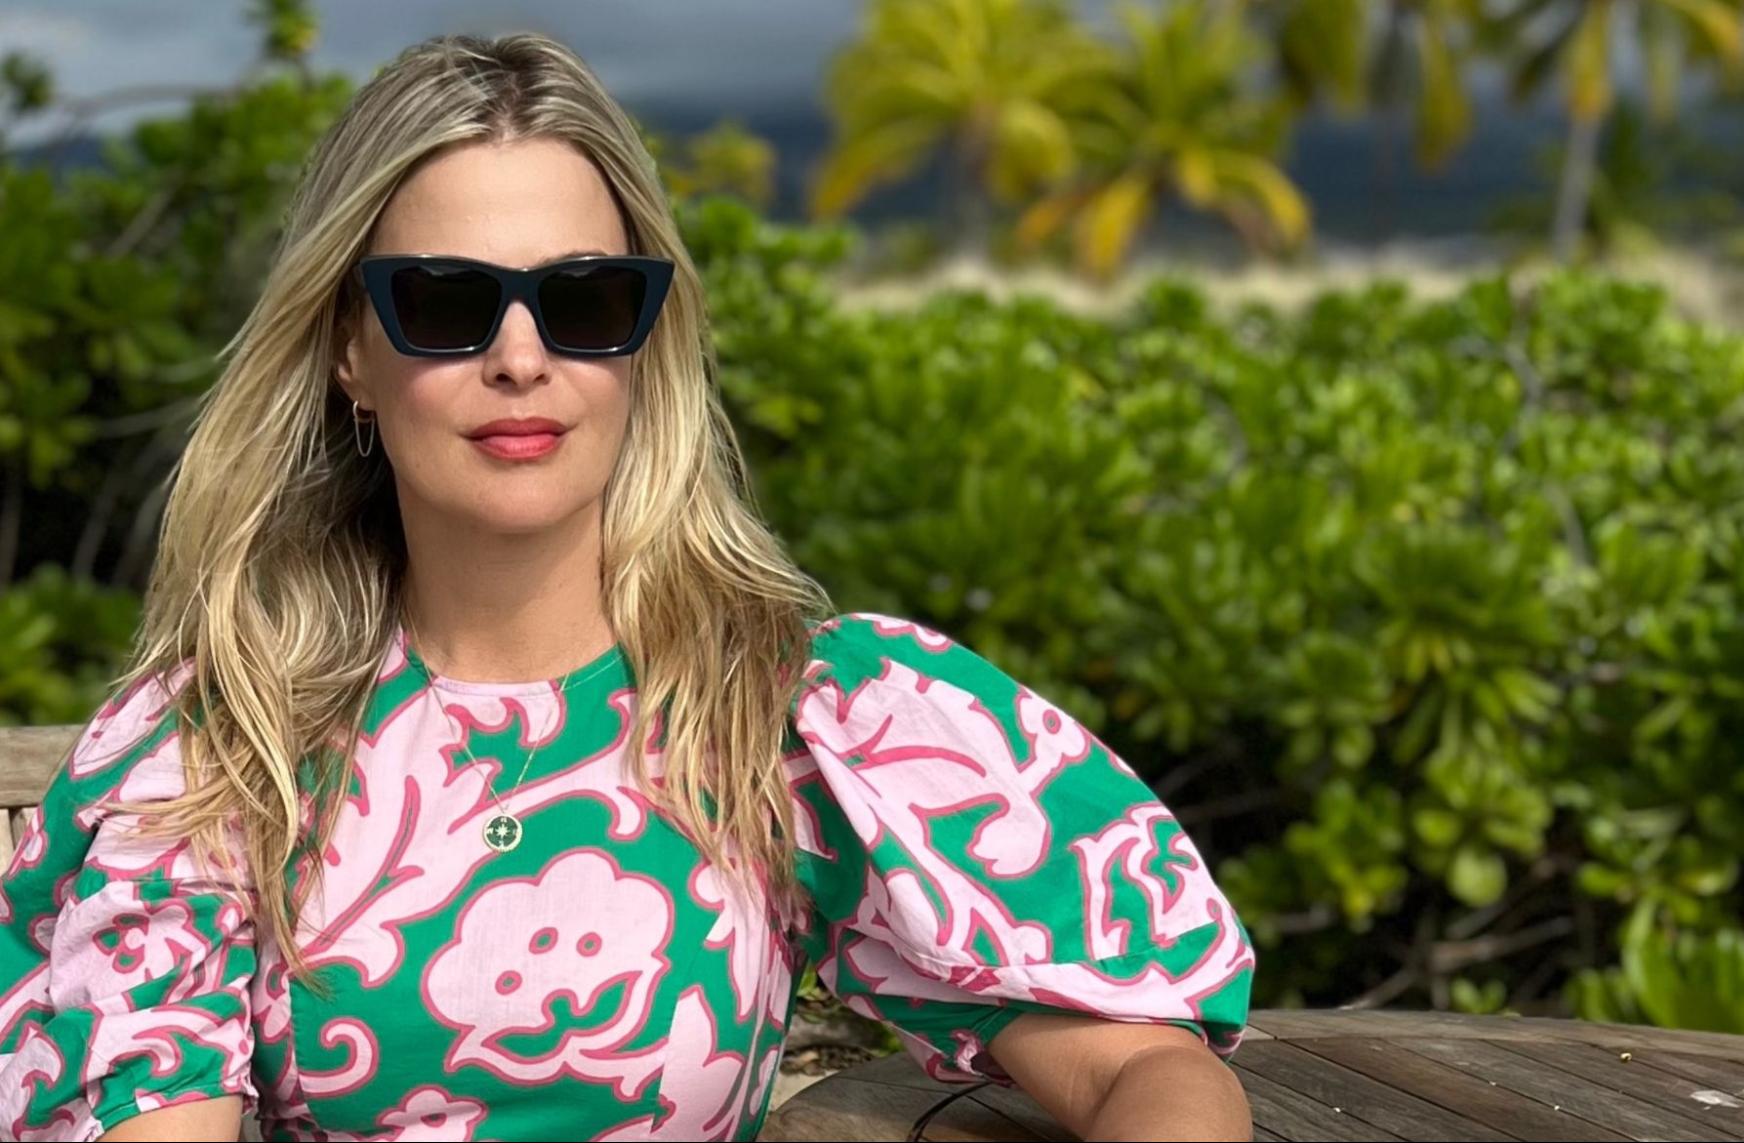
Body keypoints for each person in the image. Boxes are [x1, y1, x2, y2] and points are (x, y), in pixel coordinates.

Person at [0, 32, 1254, 1142]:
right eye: (445, 302)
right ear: (349, 351)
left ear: (646, 339)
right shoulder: (217, 755)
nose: (521, 357)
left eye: (585, 299)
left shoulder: (788, 714)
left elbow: (1144, 1065)